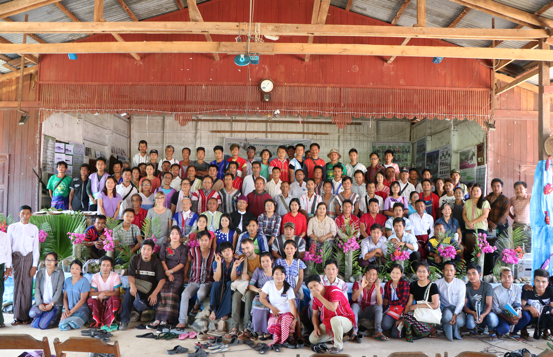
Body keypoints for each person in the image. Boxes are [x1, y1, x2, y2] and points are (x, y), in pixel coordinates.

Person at [120, 239, 166, 330]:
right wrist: (132, 285)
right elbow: (130, 275)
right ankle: (124, 321)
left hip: (151, 290)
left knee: (156, 301)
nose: (146, 252)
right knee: (128, 294)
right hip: (137, 288)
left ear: (152, 251)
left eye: (149, 250)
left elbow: (162, 280)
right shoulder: (135, 259)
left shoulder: (156, 262)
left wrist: (154, 293)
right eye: (144, 249)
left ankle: (148, 314)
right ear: (140, 250)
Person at [307, 274, 357, 354]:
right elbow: (314, 315)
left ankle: (338, 345)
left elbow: (333, 308)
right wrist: (316, 327)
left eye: (315, 285)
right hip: (329, 323)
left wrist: (319, 296)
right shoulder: (315, 298)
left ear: (321, 283)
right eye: (311, 288)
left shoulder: (333, 290)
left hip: (346, 320)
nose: (314, 289)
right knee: (313, 339)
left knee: (335, 319)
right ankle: (340, 336)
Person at [175, 231, 215, 328]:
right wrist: (185, 276)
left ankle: (196, 306)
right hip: (194, 280)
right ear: (198, 241)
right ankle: (182, 321)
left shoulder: (213, 253)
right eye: (202, 240)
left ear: (209, 241)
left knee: (201, 293)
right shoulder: (193, 251)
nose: (204, 242)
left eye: (206, 240)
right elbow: (187, 262)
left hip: (207, 282)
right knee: (184, 295)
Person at [8, 205, 39, 325]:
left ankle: (26, 317)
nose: (25, 216)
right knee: (17, 287)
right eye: (23, 213)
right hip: (15, 259)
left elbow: (36, 248)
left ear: (31, 214)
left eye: (27, 213)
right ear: (18, 214)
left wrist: (34, 265)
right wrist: (8, 265)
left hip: (29, 259)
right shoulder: (12, 227)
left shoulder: (34, 228)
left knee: (27, 287)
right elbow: (9, 247)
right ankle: (16, 316)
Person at [152, 226, 188, 328]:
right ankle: (158, 318)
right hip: (165, 272)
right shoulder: (165, 245)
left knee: (172, 290)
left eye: (177, 233)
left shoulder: (184, 248)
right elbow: (162, 260)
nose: (175, 236)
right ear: (169, 235)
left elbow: (182, 263)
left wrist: (171, 272)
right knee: (162, 289)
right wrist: (167, 272)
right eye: (172, 233)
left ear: (180, 235)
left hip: (177, 273)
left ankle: (167, 319)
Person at [398, 261, 440, 342]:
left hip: (428, 316)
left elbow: (435, 305)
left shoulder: (433, 286)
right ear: (416, 272)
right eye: (419, 271)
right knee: (408, 315)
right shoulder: (413, 285)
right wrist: (404, 318)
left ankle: (428, 330)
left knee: (418, 328)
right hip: (418, 314)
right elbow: (409, 302)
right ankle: (411, 334)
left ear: (428, 273)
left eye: (424, 271)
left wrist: (418, 306)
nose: (421, 274)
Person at [228, 238, 261, 338]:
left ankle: (247, 326)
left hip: (256, 287)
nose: (246, 251)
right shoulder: (242, 258)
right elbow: (233, 278)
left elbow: (264, 278)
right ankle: (234, 326)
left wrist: (249, 278)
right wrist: (234, 267)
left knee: (248, 295)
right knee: (236, 295)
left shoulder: (260, 259)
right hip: (244, 286)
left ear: (253, 247)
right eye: (243, 249)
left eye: (247, 248)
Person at [260, 265, 299, 350]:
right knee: (272, 324)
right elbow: (261, 298)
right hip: (275, 312)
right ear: (272, 275)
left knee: (285, 320)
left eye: (282, 274)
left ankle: (287, 337)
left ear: (285, 276)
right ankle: (282, 336)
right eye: (276, 274)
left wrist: (295, 319)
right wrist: (272, 308)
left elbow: (292, 305)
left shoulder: (288, 288)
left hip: (287, 313)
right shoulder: (269, 284)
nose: (279, 276)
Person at [29, 252, 64, 329]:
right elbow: (37, 289)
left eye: (52, 260)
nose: (49, 262)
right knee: (32, 313)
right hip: (42, 303)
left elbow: (59, 290)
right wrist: (39, 304)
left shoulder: (60, 272)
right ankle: (45, 316)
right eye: (47, 260)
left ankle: (48, 318)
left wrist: (51, 304)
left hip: (55, 304)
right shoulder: (40, 272)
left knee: (43, 325)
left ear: (56, 261)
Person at [463, 263, 498, 340]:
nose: (471, 276)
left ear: (479, 275)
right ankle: (474, 329)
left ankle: (491, 331)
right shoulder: (466, 287)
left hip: (485, 313)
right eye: (469, 274)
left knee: (492, 319)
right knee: (470, 323)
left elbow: (489, 305)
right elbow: (464, 306)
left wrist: (483, 315)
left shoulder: (487, 286)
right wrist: (473, 313)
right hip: (473, 313)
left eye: (474, 274)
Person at [351, 266, 386, 341]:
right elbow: (354, 298)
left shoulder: (378, 286)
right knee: (354, 305)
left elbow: (380, 303)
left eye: (374, 275)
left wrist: (378, 290)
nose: (371, 276)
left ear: (376, 276)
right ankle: (354, 330)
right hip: (360, 310)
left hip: (370, 311)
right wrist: (361, 287)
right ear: (365, 274)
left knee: (378, 307)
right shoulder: (357, 284)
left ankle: (378, 331)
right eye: (369, 274)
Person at [492, 267, 527, 339]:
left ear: (513, 278)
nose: (507, 279)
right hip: (501, 315)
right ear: (500, 278)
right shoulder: (495, 291)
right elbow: (496, 309)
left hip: (513, 314)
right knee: (504, 329)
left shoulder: (517, 288)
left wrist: (518, 313)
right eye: (504, 276)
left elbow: (517, 304)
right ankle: (499, 329)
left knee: (526, 317)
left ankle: (514, 332)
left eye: (509, 276)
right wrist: (508, 319)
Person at [87, 256, 121, 328]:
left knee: (114, 299)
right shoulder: (95, 276)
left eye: (108, 265)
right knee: (90, 301)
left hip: (110, 301)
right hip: (100, 300)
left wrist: (104, 293)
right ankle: (98, 320)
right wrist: (102, 293)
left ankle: (109, 320)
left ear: (111, 267)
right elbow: (91, 293)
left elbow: (117, 293)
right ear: (100, 266)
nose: (105, 268)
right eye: (103, 265)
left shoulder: (115, 276)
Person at [436, 261, 466, 341]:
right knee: (446, 316)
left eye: (451, 270)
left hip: (458, 310)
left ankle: (451, 330)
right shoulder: (437, 283)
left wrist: (455, 314)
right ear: (442, 271)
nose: (449, 272)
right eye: (446, 270)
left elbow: (461, 301)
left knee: (460, 321)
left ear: (455, 272)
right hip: (445, 309)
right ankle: (448, 330)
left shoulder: (460, 283)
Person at [209, 241, 239, 321]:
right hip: (221, 285)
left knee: (230, 284)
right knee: (215, 284)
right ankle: (213, 310)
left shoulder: (237, 262)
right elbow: (216, 279)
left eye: (228, 250)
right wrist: (219, 264)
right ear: (221, 253)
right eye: (224, 251)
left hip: (231, 286)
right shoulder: (216, 262)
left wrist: (235, 266)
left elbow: (233, 279)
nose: (227, 253)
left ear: (232, 251)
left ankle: (225, 312)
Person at [519, 269, 553, 340]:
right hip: (531, 315)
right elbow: (521, 306)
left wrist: (545, 310)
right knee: (523, 315)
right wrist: (530, 308)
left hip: (543, 315)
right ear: (533, 281)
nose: (540, 284)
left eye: (543, 282)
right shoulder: (528, 290)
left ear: (547, 283)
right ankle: (523, 330)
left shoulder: (550, 290)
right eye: (537, 281)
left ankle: (545, 330)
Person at [249, 252, 274, 340]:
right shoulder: (258, 271)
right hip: (261, 295)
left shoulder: (276, 272)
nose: (265, 263)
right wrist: (258, 290)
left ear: (272, 261)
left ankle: (267, 330)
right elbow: (250, 285)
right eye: (263, 261)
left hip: (273, 295)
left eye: (267, 261)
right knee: (257, 302)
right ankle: (259, 330)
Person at [58, 260, 90, 331]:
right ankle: (68, 319)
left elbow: (82, 300)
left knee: (74, 324)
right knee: (63, 326)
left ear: (81, 270)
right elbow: (65, 297)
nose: (74, 271)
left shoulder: (84, 281)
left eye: (77, 268)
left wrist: (70, 313)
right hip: (68, 310)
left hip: (81, 311)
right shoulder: (67, 280)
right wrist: (66, 310)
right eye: (72, 268)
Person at [274, 240, 306, 307]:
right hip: (280, 291)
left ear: (295, 249)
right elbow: (275, 276)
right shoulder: (279, 261)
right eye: (287, 248)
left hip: (294, 291)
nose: (289, 250)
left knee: (294, 311)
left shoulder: (299, 262)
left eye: (291, 248)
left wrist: (294, 292)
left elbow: (300, 279)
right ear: (284, 249)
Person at [382, 264, 410, 339]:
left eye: (397, 273)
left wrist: (389, 302)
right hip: (391, 310)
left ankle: (402, 327)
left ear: (401, 274)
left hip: (402, 311)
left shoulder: (404, 284)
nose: (395, 275)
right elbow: (385, 300)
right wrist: (383, 311)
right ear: (390, 273)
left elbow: (403, 301)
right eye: (393, 272)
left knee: (395, 335)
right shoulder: (387, 284)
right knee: (384, 325)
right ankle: (392, 325)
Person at [462, 183, 490, 258]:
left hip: (481, 230)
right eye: (474, 190)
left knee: (479, 253)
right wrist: (467, 222)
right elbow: (464, 214)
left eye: (477, 190)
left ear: (481, 192)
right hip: (469, 229)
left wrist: (471, 222)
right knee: (469, 251)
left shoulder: (485, 202)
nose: (475, 192)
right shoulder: (467, 202)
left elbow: (485, 215)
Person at [510, 181, 532, 252]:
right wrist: (513, 218)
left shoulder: (530, 197)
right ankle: (517, 263)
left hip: (528, 227)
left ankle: (529, 263)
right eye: (516, 188)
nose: (518, 190)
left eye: (520, 188)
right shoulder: (512, 200)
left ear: (526, 189)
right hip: (517, 227)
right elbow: (508, 210)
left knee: (529, 249)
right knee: (517, 249)